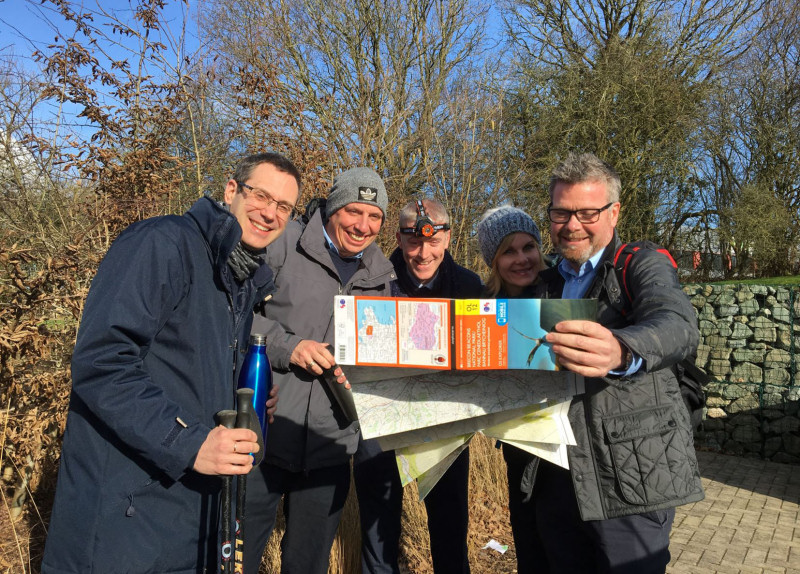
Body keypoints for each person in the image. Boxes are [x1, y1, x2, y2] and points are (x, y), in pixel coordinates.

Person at [41, 152, 301, 573]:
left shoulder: (240, 280)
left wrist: (240, 396)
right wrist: (190, 442)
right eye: (261, 195)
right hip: (121, 523)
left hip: (182, 517)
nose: (270, 213)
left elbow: (183, 370)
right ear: (231, 190)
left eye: (284, 207)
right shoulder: (163, 243)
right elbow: (102, 363)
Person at [527, 152, 704, 573]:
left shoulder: (641, 263)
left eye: (587, 212)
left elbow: (678, 323)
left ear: (614, 212)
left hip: (631, 474)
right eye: (561, 212)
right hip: (558, 478)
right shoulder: (546, 282)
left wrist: (621, 349)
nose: (572, 225)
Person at [244, 167, 397, 574]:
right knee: (235, 558)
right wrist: (290, 347)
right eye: (353, 211)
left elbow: (380, 358)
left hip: (330, 446)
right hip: (264, 433)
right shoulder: (282, 243)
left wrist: (362, 375)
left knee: (308, 564)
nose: (363, 226)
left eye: (375, 216)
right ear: (333, 207)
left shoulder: (383, 277)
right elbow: (236, 315)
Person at [354, 199, 483, 574]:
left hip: (443, 419)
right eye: (413, 243)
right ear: (397, 238)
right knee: (379, 531)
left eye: (433, 242)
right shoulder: (373, 281)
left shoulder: (469, 285)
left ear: (447, 237)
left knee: (449, 526)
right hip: (381, 418)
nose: (424, 253)